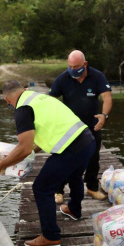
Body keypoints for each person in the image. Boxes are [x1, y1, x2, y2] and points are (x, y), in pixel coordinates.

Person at [0, 80, 95, 246]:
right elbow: (31, 146)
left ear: (7, 100)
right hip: (88, 140)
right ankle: (74, 209)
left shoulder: (22, 109)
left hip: (71, 148)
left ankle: (51, 236)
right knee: (74, 175)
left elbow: (23, 148)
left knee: (42, 188)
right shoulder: (40, 98)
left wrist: (1, 165)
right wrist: (24, 154)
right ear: (23, 89)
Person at [49, 49, 113, 203]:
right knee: (64, 159)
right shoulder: (63, 78)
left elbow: (107, 97)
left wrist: (104, 115)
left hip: (92, 126)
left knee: (93, 158)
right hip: (68, 127)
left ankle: (91, 187)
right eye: (70, 66)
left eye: (76, 66)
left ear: (85, 64)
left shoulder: (97, 76)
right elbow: (50, 100)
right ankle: (58, 190)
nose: (73, 70)